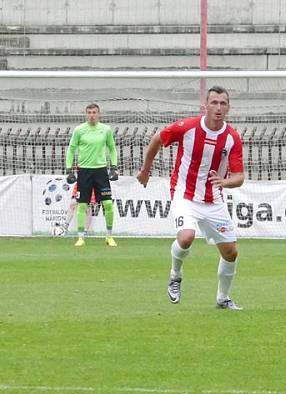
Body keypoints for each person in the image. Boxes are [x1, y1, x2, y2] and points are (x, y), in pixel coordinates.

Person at [136, 85, 245, 311]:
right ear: (205, 105)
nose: (218, 108)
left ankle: (223, 299)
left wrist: (224, 182)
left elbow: (239, 177)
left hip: (214, 200)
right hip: (184, 193)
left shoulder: (232, 137)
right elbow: (157, 139)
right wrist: (146, 170)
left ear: (228, 108)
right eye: (214, 103)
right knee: (186, 237)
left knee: (231, 252)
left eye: (222, 103)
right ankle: (175, 275)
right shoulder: (187, 127)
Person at [65, 103, 119, 247]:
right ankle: (81, 237)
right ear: (86, 114)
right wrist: (69, 170)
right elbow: (71, 149)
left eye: (94, 112)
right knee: (82, 204)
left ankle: (109, 236)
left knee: (107, 203)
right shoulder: (79, 130)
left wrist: (114, 167)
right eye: (89, 112)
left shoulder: (105, 130)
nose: (92, 115)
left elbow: (112, 148)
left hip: (101, 171)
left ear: (99, 114)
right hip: (84, 171)